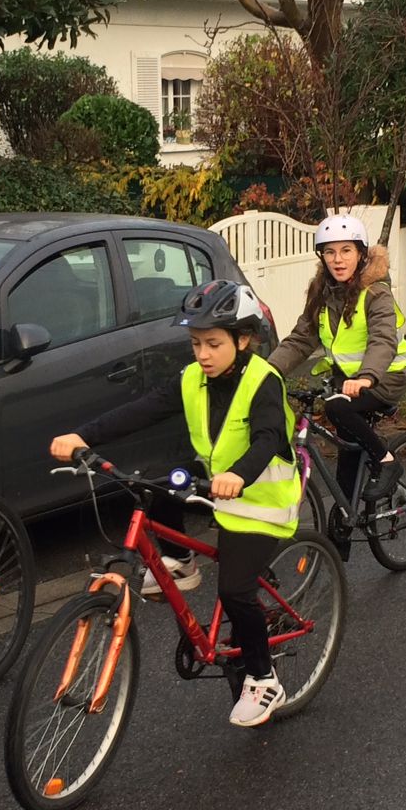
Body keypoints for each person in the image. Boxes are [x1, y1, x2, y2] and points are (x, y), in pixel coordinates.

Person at [48, 280, 301, 729]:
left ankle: (264, 680)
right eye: (196, 343)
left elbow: (268, 438)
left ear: (243, 340)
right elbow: (142, 409)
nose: (202, 354)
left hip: (263, 503)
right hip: (220, 492)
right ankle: (180, 561)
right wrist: (84, 436)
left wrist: (239, 476)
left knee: (235, 590)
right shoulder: (192, 379)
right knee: (154, 487)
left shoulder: (264, 381)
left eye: (214, 344)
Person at [265, 213, 406, 504]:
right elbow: (300, 339)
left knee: (337, 410)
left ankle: (386, 461)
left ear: (361, 253)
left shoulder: (376, 294)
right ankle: (343, 523)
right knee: (348, 454)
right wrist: (266, 370)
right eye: (330, 252)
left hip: (385, 377)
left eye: (346, 250)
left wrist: (366, 377)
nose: (338, 259)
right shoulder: (322, 293)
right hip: (346, 382)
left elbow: (382, 340)